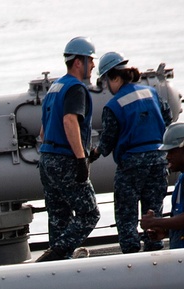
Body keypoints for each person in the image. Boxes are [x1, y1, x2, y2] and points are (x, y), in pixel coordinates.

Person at [91, 52, 172, 252]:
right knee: (153, 214)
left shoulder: (113, 105)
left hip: (131, 165)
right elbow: (168, 117)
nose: (106, 88)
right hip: (159, 160)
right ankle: (154, 254)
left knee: (126, 217)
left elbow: (107, 143)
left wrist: (93, 152)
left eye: (105, 82)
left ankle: (131, 259)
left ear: (114, 77)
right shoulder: (151, 93)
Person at [36, 37, 100, 261]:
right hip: (65, 159)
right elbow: (69, 121)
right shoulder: (76, 88)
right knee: (90, 213)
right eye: (90, 60)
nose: (93, 65)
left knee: (59, 217)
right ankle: (55, 255)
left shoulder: (54, 88)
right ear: (79, 62)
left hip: (47, 159)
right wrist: (81, 158)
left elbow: (44, 131)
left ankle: (56, 271)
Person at [141, 122, 184, 249]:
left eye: (172, 151)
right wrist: (165, 231)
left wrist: (156, 222)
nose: (168, 157)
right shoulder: (181, 179)